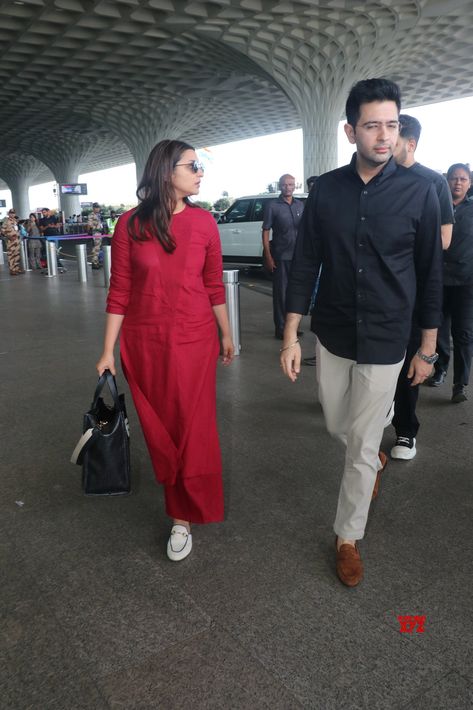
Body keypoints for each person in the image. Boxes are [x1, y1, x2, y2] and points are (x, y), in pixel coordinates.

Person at [280, 78, 442, 587]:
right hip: (333, 332)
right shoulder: (325, 190)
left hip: (389, 334)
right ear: (350, 131)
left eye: (391, 125)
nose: (383, 136)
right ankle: (371, 454)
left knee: (361, 439)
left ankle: (347, 536)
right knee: (337, 425)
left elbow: (430, 272)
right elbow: (304, 264)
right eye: (372, 125)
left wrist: (429, 349)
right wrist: (291, 336)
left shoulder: (422, 191)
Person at [96, 139, 234, 562]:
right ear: (166, 172)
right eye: (192, 166)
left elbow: (213, 285)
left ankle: (181, 516)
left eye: (199, 166)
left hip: (195, 342)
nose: (200, 173)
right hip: (145, 342)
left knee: (193, 426)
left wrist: (227, 334)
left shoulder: (205, 223)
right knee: (162, 427)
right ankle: (177, 487)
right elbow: (120, 291)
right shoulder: (129, 227)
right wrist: (107, 351)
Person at [390, 115, 454, 459]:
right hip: (377, 287)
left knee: (409, 360)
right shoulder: (377, 177)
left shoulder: (432, 182)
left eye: (392, 134)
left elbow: (444, 238)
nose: (383, 141)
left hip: (414, 287)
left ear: (410, 142)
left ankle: (405, 431)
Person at [430, 163, 473, 403]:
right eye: (454, 178)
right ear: (446, 181)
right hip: (437, 279)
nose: (458, 183)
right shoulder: (436, 207)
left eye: (463, 179)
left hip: (466, 282)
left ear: (469, 183)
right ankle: (441, 370)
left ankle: (460, 384)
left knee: (464, 333)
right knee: (437, 330)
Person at [262, 174, 305, 339]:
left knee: (296, 293)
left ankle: (292, 328)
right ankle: (280, 328)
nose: (288, 187)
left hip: (298, 256)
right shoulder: (272, 206)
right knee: (281, 294)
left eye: (291, 184)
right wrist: (268, 256)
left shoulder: (300, 205)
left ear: (295, 186)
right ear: (280, 186)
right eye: (285, 184)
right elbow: (266, 231)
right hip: (281, 256)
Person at [1, 208, 23, 275]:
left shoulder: (15, 221)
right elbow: (2, 230)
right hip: (10, 241)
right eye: (11, 213)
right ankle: (12, 270)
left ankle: (16, 269)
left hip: (16, 240)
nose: (12, 214)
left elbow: (16, 229)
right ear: (9, 214)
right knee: (11, 255)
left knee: (17, 255)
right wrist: (8, 236)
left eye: (13, 213)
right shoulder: (6, 221)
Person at [88, 202, 105, 269]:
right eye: (96, 207)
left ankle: (96, 262)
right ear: (93, 208)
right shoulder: (91, 215)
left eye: (98, 207)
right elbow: (90, 224)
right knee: (96, 248)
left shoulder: (98, 215)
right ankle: (94, 263)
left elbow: (100, 223)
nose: (98, 209)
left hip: (99, 233)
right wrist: (95, 229)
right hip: (96, 233)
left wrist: (102, 229)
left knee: (97, 248)